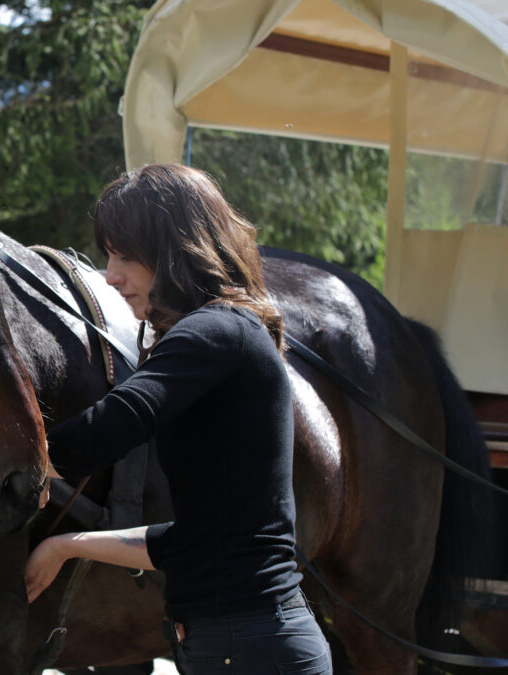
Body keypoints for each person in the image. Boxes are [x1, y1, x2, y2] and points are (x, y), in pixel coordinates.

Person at [25, 164, 332, 673]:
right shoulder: (227, 333)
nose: (111, 275)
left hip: (251, 652)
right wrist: (64, 545)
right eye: (108, 254)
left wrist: (24, 458)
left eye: (125, 255)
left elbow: (117, 423)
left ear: (176, 250)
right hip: (246, 647)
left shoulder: (214, 330)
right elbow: (195, 541)